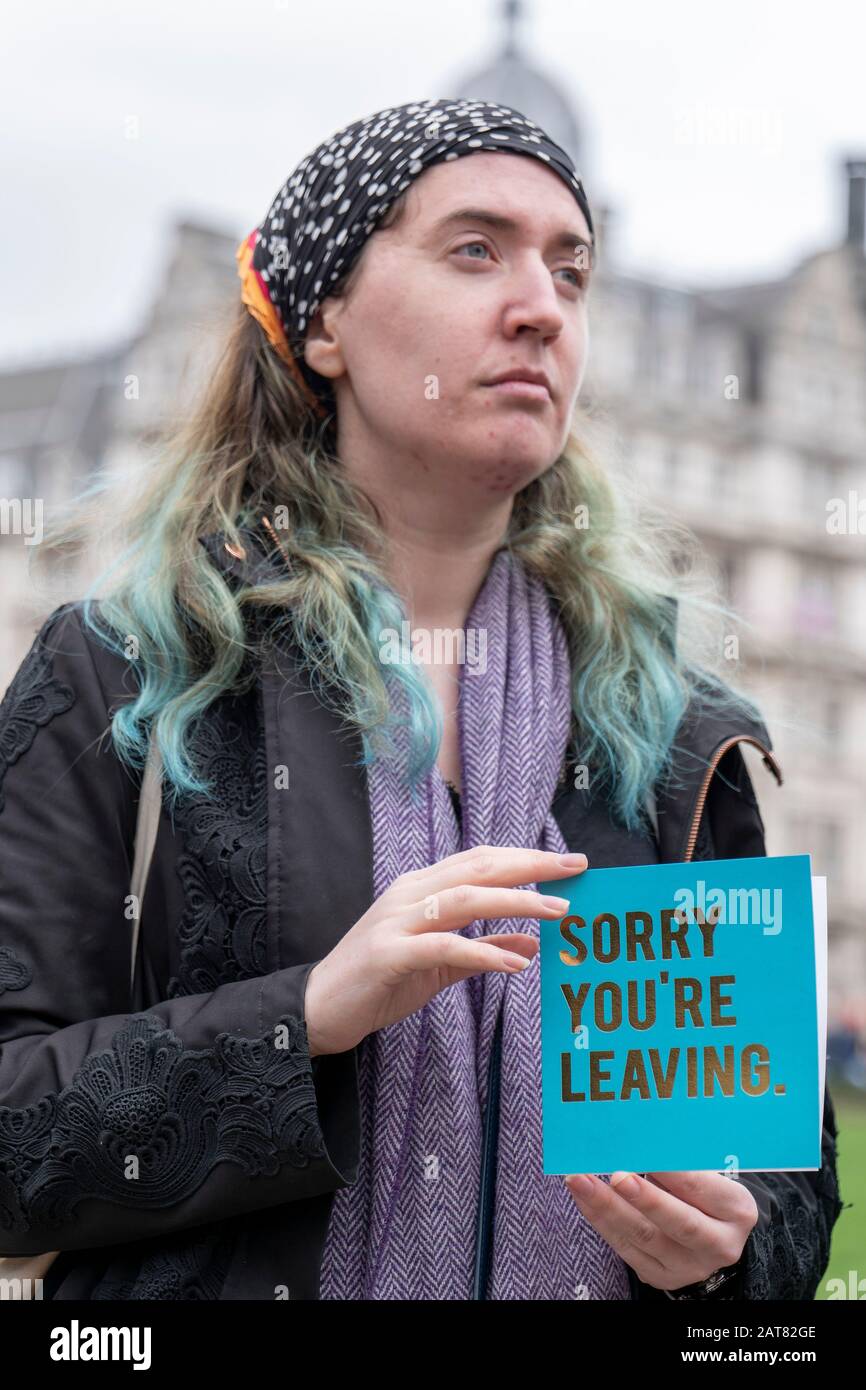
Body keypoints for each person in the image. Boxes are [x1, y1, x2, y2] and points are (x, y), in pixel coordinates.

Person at [0, 99, 842, 1301]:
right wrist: (307, 1015)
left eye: (571, 270)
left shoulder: (666, 725)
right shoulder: (122, 671)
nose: (540, 306)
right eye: (472, 249)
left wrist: (728, 1252)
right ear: (325, 320)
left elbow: (786, 1182)